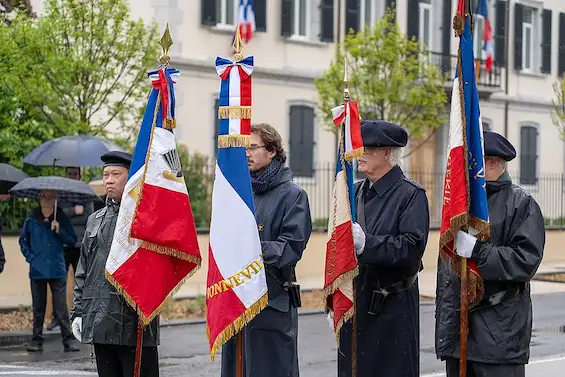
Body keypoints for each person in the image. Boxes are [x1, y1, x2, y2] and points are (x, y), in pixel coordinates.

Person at [435, 131, 545, 377]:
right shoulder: (461, 206)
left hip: (499, 339)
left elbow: (525, 261)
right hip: (459, 334)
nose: (462, 167)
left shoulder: (521, 204)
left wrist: (479, 251)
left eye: (470, 160)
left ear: (492, 162)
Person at [339, 120, 430, 377]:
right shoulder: (354, 192)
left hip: (392, 306)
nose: (359, 154)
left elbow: (412, 247)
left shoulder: (410, 195)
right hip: (356, 300)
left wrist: (367, 244)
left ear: (387, 153)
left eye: (368, 149)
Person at [221, 123, 312, 377]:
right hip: (237, 301)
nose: (247, 154)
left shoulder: (293, 195)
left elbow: (291, 247)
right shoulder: (239, 192)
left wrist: (251, 249)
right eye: (244, 149)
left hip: (271, 302)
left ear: (272, 151)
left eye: (253, 147)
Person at [71, 151, 160, 377]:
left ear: (130, 177)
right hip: (99, 320)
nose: (108, 180)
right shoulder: (95, 219)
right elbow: (83, 270)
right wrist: (78, 313)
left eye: (115, 174)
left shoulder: (145, 218)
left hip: (133, 322)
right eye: (106, 175)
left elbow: (157, 269)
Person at [19, 189, 79, 352]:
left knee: (60, 307)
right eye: (44, 195)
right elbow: (23, 240)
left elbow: (72, 240)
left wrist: (60, 231)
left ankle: (68, 339)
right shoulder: (32, 217)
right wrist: (31, 257)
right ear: (39, 197)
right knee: (38, 307)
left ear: (55, 198)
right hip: (37, 269)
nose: (47, 199)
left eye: (51, 196)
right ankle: (36, 340)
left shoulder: (60, 217)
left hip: (57, 268)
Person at [46, 166, 94, 331]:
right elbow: (59, 216)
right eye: (70, 173)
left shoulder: (86, 193)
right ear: (66, 175)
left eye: (75, 173)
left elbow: (89, 217)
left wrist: (73, 215)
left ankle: (84, 315)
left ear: (80, 175)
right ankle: (56, 318)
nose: (72, 176)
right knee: (59, 283)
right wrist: (75, 210)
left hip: (81, 244)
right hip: (64, 244)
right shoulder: (61, 193)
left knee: (84, 282)